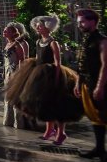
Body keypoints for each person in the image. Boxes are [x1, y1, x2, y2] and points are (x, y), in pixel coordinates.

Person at [5, 14, 82, 145]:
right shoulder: (38, 42)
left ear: (47, 27)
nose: (37, 28)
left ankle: (60, 133)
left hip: (51, 75)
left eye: (40, 26)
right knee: (45, 104)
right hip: (40, 75)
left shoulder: (54, 43)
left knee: (57, 104)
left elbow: (58, 62)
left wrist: (58, 78)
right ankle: (49, 131)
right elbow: (37, 59)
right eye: (37, 26)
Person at [74, 9, 107, 162]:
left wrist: (100, 87)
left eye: (82, 22)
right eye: (79, 22)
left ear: (93, 21)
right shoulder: (85, 40)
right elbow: (82, 64)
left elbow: (105, 66)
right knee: (95, 117)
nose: (80, 25)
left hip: (100, 85)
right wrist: (77, 83)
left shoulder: (102, 41)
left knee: (104, 116)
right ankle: (99, 149)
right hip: (87, 84)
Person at [1, 21, 37, 129]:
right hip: (8, 72)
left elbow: (23, 59)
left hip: (15, 72)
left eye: (7, 30)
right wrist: (4, 72)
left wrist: (20, 74)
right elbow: (6, 60)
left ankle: (20, 123)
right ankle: (8, 121)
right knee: (8, 97)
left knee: (16, 97)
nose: (4, 32)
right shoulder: (8, 44)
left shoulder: (20, 44)